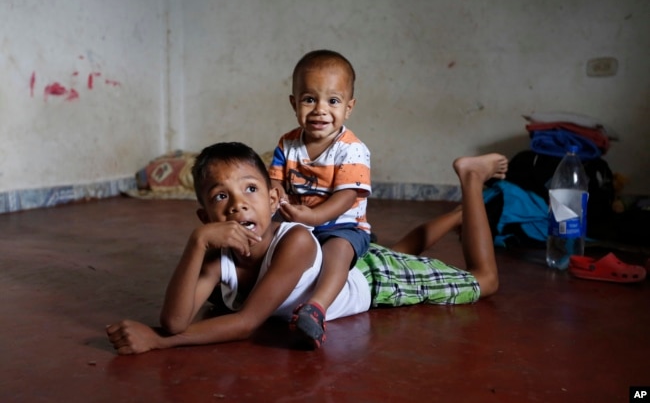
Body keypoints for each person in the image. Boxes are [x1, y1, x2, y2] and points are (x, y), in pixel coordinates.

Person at [106, 141, 508, 355]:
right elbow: (176, 319)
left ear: (273, 197)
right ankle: (459, 216)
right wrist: (196, 244)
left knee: (483, 281)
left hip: (372, 281)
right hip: (353, 260)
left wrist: (159, 342)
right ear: (205, 216)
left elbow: (247, 323)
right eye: (219, 197)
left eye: (250, 190)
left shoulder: (294, 240)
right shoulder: (217, 254)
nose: (238, 204)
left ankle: (471, 181)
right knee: (402, 249)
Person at [268, 49, 371, 347]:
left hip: (342, 226)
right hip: (299, 222)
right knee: (269, 237)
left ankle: (317, 307)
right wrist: (276, 195)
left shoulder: (351, 149)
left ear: (349, 108)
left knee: (337, 252)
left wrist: (312, 217)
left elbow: (346, 196)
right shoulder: (287, 143)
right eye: (310, 99)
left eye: (333, 101)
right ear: (294, 103)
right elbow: (276, 179)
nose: (320, 110)